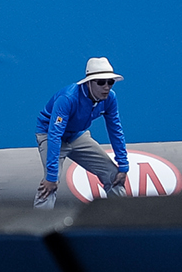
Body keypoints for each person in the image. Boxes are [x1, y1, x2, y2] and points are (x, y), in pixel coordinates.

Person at [33, 57, 129, 208]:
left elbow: (115, 130)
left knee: (114, 175)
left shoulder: (110, 98)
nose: (106, 87)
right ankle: (39, 222)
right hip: (50, 134)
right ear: (89, 82)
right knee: (50, 184)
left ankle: (125, 217)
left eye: (110, 82)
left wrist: (123, 165)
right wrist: (51, 176)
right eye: (101, 82)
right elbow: (55, 134)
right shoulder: (67, 98)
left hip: (77, 135)